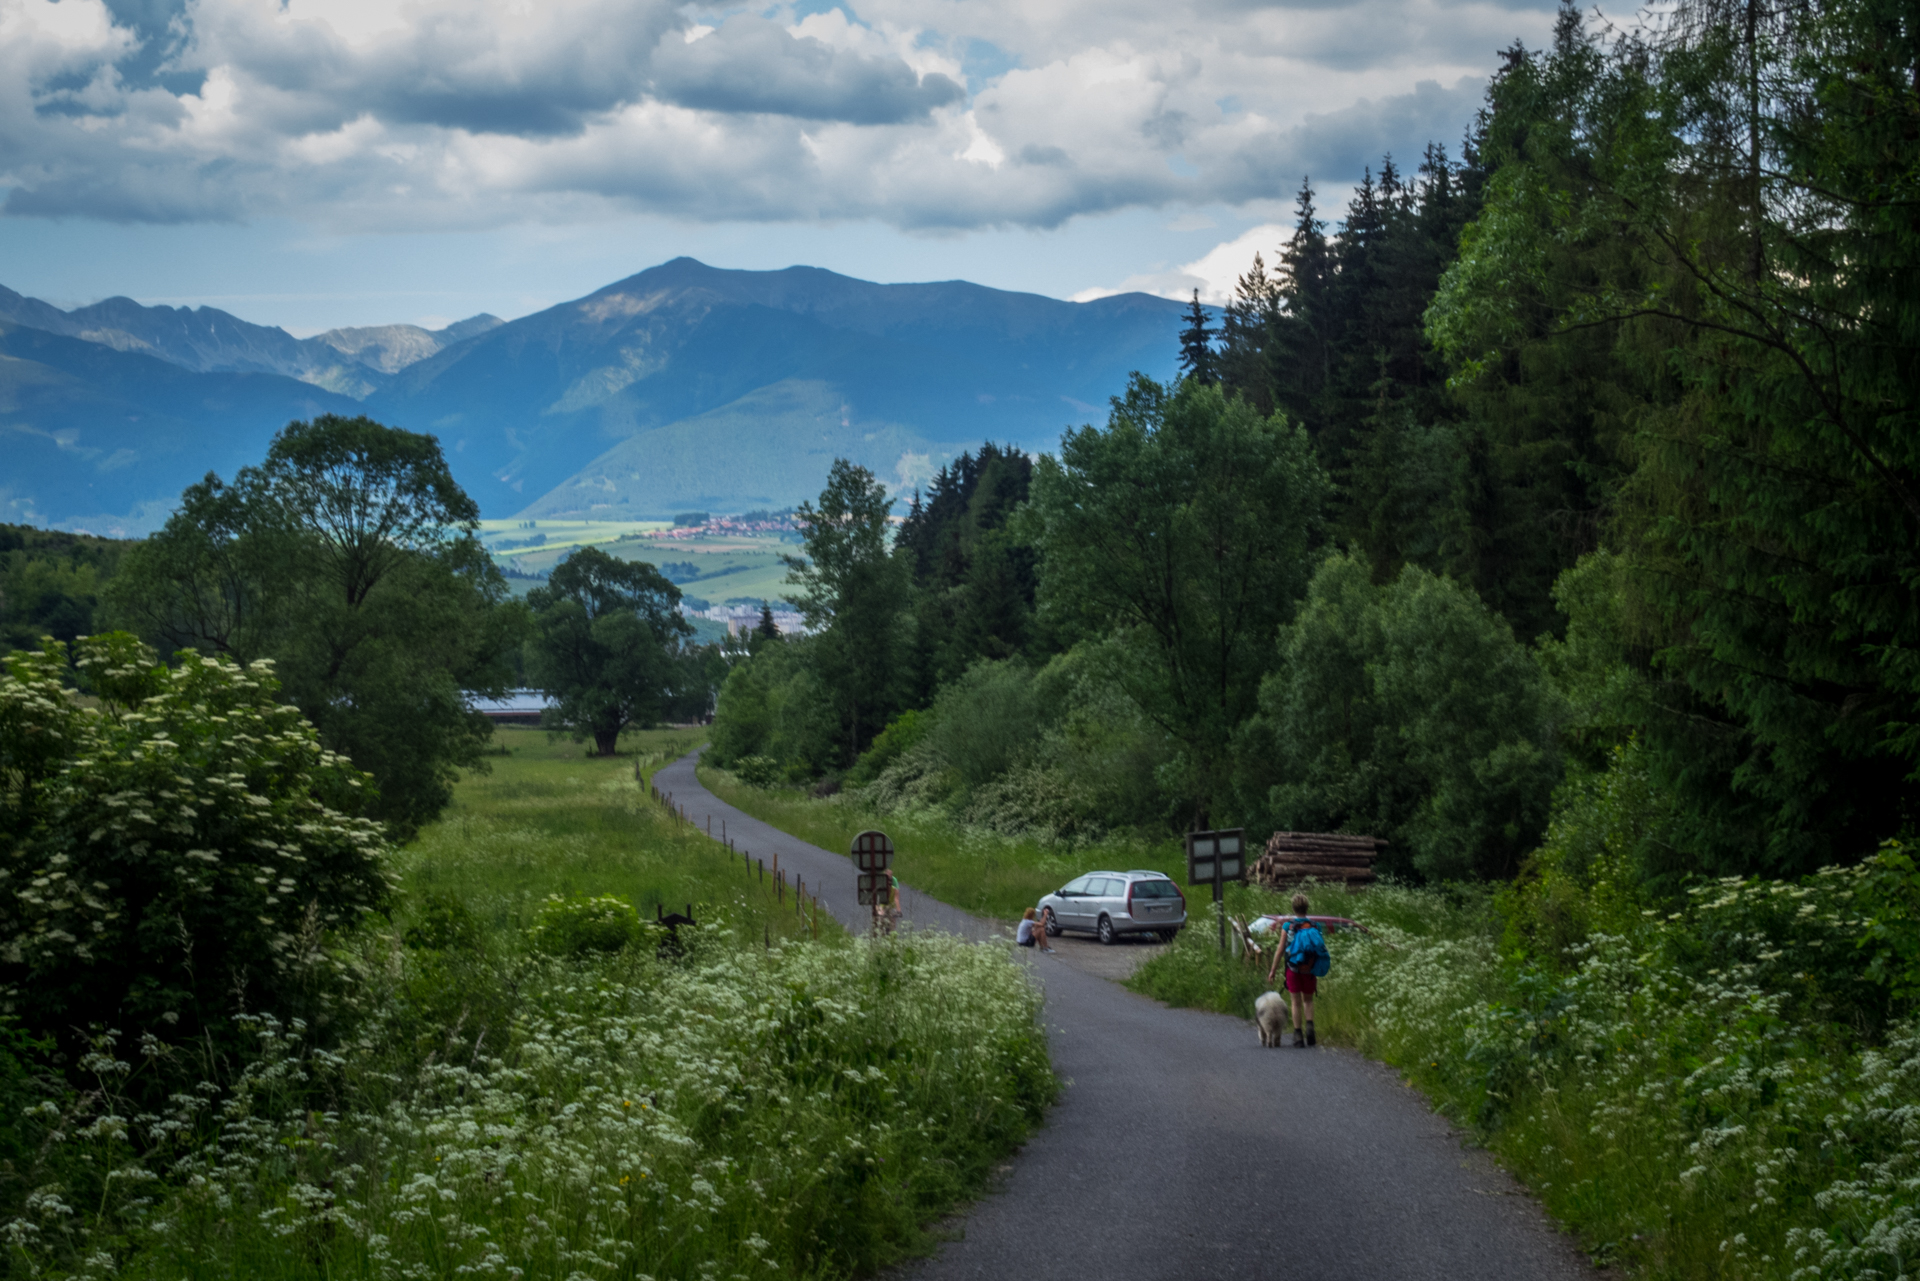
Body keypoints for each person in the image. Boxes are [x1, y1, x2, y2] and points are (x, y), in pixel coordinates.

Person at [1272, 893, 1326, 1047]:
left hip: (1293, 969)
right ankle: (1310, 1029)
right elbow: (1319, 947)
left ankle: (1298, 1036)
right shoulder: (1315, 926)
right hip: (1309, 970)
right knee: (1308, 1000)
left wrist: (1273, 970)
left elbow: (1281, 949)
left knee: (1295, 1003)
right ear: (1307, 908)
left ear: (1293, 908)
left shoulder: (1288, 926)